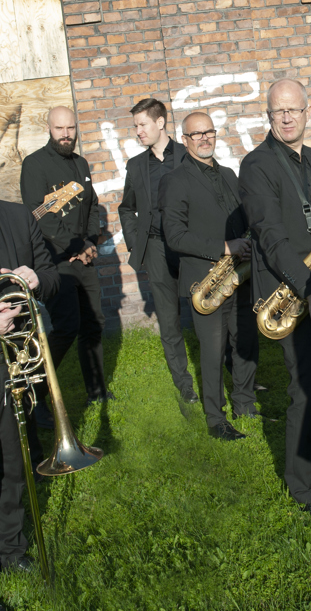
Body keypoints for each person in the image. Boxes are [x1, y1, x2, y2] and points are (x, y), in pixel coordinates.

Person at [240, 78, 311, 513]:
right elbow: (271, 238)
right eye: (278, 111)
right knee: (306, 391)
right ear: (268, 117)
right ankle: (301, 489)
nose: (287, 117)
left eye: (294, 109)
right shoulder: (256, 166)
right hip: (295, 293)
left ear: (308, 112)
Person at [159, 112, 258, 440]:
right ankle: (216, 420)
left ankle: (245, 402)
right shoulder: (174, 181)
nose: (204, 138)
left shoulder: (230, 174)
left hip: (239, 274)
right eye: (196, 134)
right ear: (184, 140)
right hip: (205, 280)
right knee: (214, 352)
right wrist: (224, 247)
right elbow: (174, 236)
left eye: (209, 132)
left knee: (244, 340)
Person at [20, 106, 111, 410]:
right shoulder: (34, 165)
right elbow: (39, 216)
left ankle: (97, 391)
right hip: (54, 261)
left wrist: (88, 240)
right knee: (66, 326)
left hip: (81, 256)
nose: (66, 134)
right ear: (50, 129)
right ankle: (35, 395)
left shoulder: (80, 163)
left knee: (93, 323)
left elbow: (92, 205)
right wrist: (75, 247)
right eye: (60, 129)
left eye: (70, 128)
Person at [118, 98, 197, 403]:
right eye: (135, 125)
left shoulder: (188, 155)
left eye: (142, 124)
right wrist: (137, 242)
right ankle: (185, 387)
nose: (137, 131)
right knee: (168, 320)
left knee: (211, 311)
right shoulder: (136, 165)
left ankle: (230, 371)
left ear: (161, 122)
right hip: (155, 248)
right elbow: (127, 208)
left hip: (191, 247)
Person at [0, 199, 59, 575]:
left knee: (11, 462)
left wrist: (37, 279)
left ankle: (9, 549)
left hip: (12, 362)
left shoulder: (18, 216)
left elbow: (51, 276)